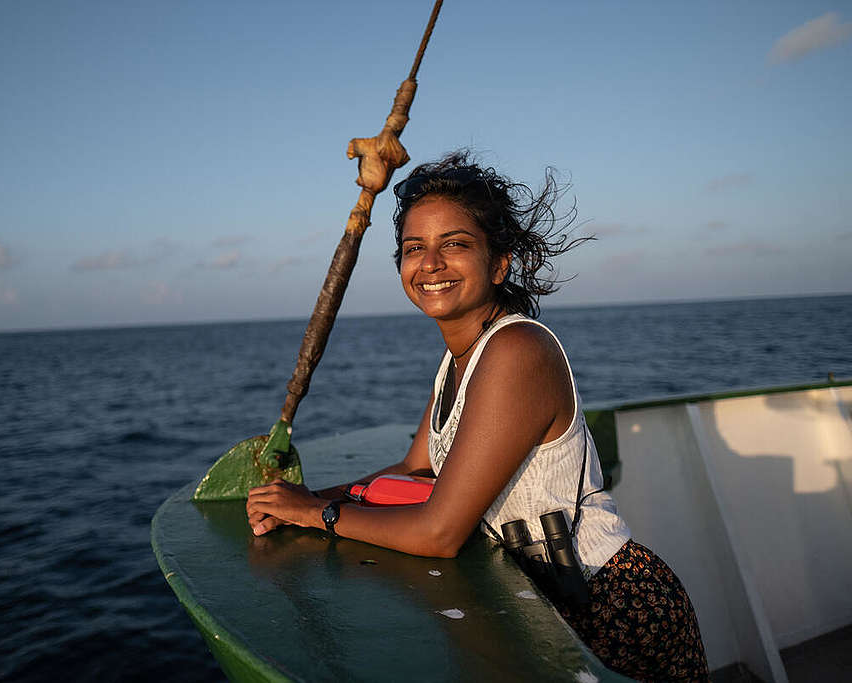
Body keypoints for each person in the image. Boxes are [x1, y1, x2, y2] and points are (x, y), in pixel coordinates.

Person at [246, 151, 709, 681]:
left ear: (498, 263)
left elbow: (439, 532)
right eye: (414, 248)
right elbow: (414, 469)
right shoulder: (458, 360)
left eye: (456, 244)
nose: (431, 263)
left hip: (608, 603)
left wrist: (315, 516)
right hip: (543, 597)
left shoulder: (518, 352)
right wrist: (309, 498)